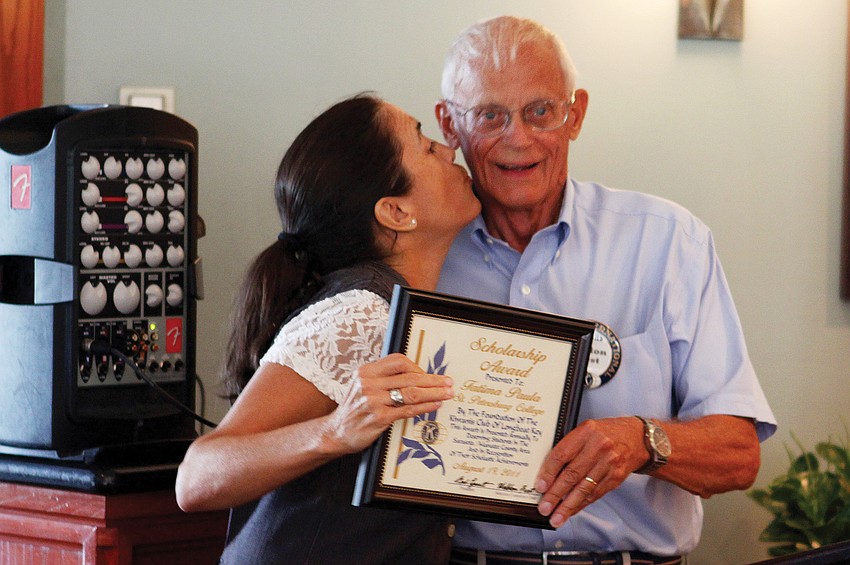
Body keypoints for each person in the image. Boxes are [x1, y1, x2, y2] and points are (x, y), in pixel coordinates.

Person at [433, 15, 776, 565]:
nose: (517, 138)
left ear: (576, 114)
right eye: (490, 115)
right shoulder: (420, 257)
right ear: (449, 125)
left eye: (540, 111)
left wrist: (643, 440)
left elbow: (738, 456)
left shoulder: (669, 241)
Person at [175, 94, 480, 563]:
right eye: (423, 143)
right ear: (395, 212)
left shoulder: (399, 305)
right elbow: (197, 477)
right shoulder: (360, 313)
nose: (448, 149)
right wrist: (335, 430)